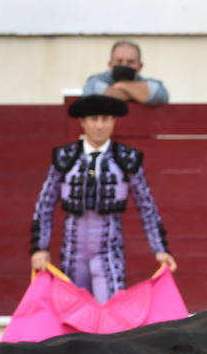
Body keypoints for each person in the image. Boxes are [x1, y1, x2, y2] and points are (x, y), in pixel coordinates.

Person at [30, 94, 175, 304]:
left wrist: (160, 249)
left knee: (111, 315)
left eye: (105, 119)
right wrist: (39, 248)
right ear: (82, 122)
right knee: (73, 314)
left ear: (114, 121)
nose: (99, 126)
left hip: (108, 253)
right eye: (93, 119)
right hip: (72, 254)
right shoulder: (65, 158)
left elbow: (147, 207)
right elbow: (45, 205)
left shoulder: (127, 159)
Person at [82, 40, 170, 107]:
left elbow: (161, 94)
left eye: (130, 62)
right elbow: (90, 90)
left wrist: (122, 85)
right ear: (110, 64)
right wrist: (137, 94)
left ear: (140, 66)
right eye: (119, 61)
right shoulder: (98, 80)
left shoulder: (146, 81)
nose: (124, 65)